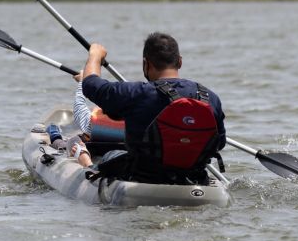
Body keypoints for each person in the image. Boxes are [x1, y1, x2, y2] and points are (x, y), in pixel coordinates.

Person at [74, 31, 226, 184]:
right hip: (194, 178)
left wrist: (95, 55)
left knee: (111, 155)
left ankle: (87, 162)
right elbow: (219, 143)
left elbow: (90, 85)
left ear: (145, 64)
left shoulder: (136, 93)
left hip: (143, 179)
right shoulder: (209, 98)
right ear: (179, 62)